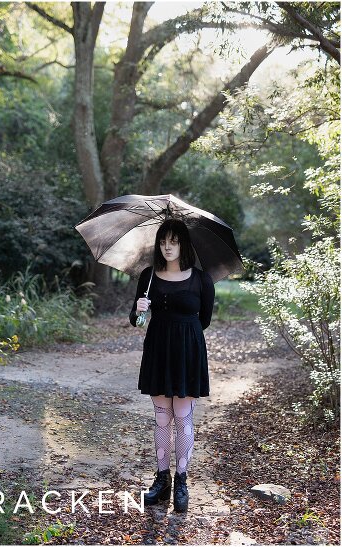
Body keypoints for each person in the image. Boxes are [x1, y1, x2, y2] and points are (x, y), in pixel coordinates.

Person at [129, 218, 214, 513]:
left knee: (183, 417)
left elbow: (204, 319)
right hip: (158, 349)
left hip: (188, 351)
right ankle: (161, 480)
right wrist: (139, 309)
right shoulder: (149, 276)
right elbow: (135, 319)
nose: (168, 246)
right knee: (162, 418)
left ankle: (181, 481)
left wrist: (182, 330)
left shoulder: (201, 279)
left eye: (174, 241)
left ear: (183, 244)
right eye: (163, 241)